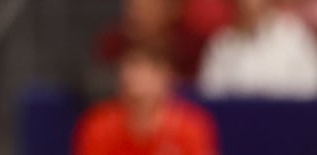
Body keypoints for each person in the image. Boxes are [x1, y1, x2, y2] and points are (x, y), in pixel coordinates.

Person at [73, 44, 217, 155]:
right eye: (130, 68)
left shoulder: (191, 127)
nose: (135, 78)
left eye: (146, 70)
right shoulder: (98, 125)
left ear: (166, 76)